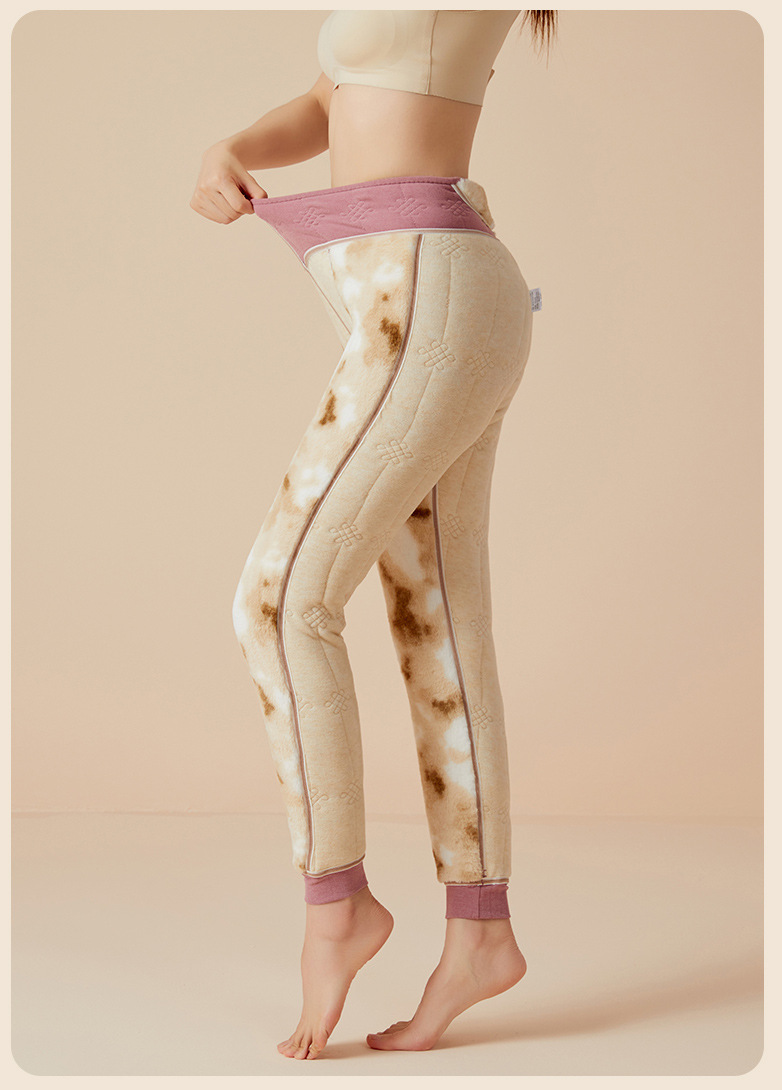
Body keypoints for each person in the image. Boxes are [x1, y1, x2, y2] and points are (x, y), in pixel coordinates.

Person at [190, 8, 558, 1060]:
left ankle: (336, 905)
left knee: (277, 602)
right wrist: (231, 146)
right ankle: (480, 933)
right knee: (438, 622)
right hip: (410, 288)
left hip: (426, 288)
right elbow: (326, 97)